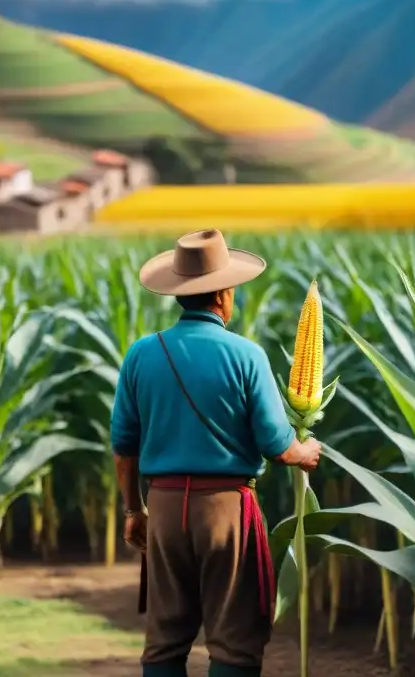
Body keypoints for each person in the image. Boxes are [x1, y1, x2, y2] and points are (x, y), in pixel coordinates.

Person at [110, 228, 322, 677]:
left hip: (164, 509)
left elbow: (123, 449)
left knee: (164, 644)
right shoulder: (246, 356)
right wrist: (306, 451)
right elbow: (277, 446)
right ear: (224, 294)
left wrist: (134, 510)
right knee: (234, 643)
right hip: (226, 511)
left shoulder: (141, 355)